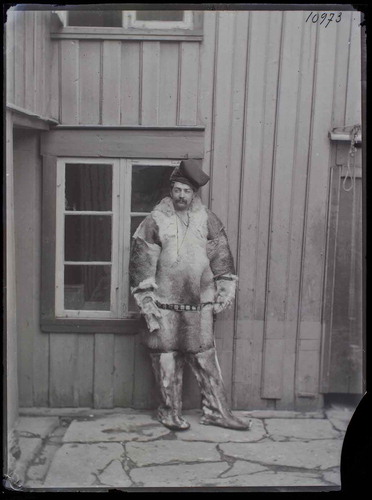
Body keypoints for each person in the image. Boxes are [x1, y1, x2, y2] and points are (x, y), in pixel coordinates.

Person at [129, 159, 250, 431]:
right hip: (164, 307)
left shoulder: (207, 219)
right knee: (166, 360)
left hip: (198, 307)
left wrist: (224, 289)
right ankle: (169, 412)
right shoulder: (155, 220)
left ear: (194, 193)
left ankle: (218, 412)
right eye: (177, 190)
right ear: (171, 190)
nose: (181, 195)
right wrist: (147, 303)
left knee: (206, 358)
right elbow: (141, 265)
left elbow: (221, 257)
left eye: (186, 191)